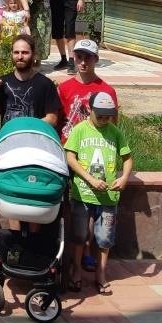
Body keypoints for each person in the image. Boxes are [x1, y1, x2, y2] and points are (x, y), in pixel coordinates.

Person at [64, 91, 132, 295]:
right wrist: (90, 179)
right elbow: (70, 157)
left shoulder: (115, 133)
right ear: (90, 110)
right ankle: (76, 270)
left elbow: (127, 158)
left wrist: (124, 177)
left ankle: (101, 274)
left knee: (105, 238)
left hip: (108, 196)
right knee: (79, 235)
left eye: (107, 116)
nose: (103, 120)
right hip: (83, 193)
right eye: (99, 115)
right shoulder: (80, 130)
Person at [0, 33, 61, 127]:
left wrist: (24, 127)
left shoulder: (45, 84)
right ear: (11, 54)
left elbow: (52, 119)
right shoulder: (3, 82)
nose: (20, 57)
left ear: (33, 54)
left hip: (35, 138)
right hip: (9, 138)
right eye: (16, 52)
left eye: (25, 52)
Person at [58, 38, 118, 141]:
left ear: (96, 59)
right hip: (67, 144)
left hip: (94, 144)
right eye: (79, 57)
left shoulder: (107, 91)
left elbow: (112, 125)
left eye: (88, 58)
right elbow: (57, 119)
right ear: (74, 57)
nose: (83, 62)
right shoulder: (63, 88)